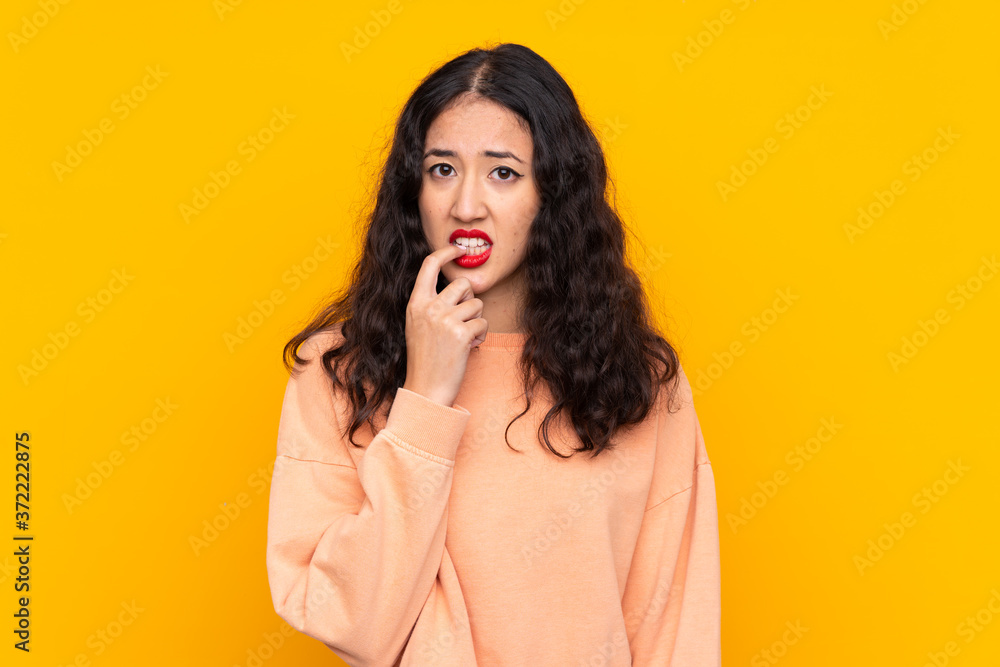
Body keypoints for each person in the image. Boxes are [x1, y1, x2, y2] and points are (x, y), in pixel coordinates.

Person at [265, 42, 721, 666]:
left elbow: (675, 631)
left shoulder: (636, 382)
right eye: (442, 169)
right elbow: (353, 621)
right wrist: (424, 399)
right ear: (413, 189)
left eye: (502, 172)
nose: (465, 206)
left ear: (551, 196)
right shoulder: (340, 372)